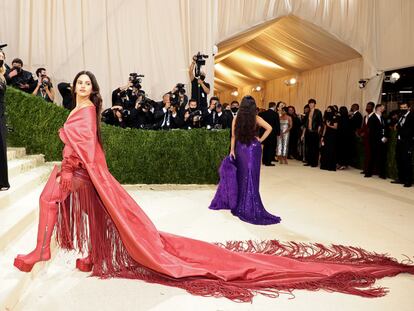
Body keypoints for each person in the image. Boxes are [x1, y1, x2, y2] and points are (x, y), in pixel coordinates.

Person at [14, 72, 414, 302]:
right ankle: (86, 255)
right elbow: (89, 147)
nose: (82, 86)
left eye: (87, 82)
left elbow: (86, 148)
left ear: (92, 89)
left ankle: (46, 249)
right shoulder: (81, 109)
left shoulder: (86, 111)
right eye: (79, 82)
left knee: (56, 201)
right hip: (79, 172)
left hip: (76, 171)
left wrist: (70, 169)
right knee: (90, 211)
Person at [210, 96, 281, 224]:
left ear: (242, 106)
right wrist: (260, 139)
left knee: (242, 175)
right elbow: (270, 128)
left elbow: (233, 136)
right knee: (251, 175)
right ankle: (249, 202)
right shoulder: (256, 118)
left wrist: (232, 150)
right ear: (253, 107)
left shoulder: (236, 118)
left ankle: (241, 202)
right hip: (254, 148)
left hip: (240, 147)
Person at [392, 102, 414, 187]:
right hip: (399, 142)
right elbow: (398, 126)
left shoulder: (412, 116)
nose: (403, 109)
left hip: (407, 143)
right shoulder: (401, 116)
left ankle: (408, 181)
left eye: (405, 107)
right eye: (401, 107)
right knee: (399, 160)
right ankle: (401, 178)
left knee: (407, 162)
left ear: (409, 108)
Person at [365, 103, 388, 179]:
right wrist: (380, 138)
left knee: (382, 158)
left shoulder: (383, 118)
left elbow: (386, 129)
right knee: (373, 157)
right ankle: (368, 173)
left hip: (383, 141)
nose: (384, 108)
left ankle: (382, 174)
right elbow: (372, 132)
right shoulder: (372, 118)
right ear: (378, 108)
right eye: (383, 107)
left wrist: (385, 137)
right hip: (375, 141)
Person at [302, 99, 323, 167]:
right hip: (308, 132)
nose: (311, 105)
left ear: (314, 104)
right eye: (310, 103)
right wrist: (303, 134)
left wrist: (318, 132)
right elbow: (305, 124)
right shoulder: (307, 113)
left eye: (312, 103)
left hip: (315, 132)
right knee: (308, 148)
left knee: (315, 148)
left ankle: (314, 163)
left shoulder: (318, 112)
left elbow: (320, 123)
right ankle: (309, 161)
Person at [258, 102, 280, 166]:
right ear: (274, 106)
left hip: (263, 132)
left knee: (265, 147)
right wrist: (278, 133)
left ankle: (264, 160)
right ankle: (268, 162)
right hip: (272, 133)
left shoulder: (262, 113)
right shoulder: (275, 114)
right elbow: (277, 124)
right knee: (270, 148)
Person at [0, 50, 10, 191]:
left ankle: (2, 181)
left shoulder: (3, 76)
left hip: (0, 113)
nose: (0, 58)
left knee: (1, 145)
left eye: (2, 57)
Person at [320, 106, 338, 171]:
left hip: (332, 136)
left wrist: (329, 125)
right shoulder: (326, 118)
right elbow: (325, 128)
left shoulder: (335, 117)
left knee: (331, 150)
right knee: (325, 150)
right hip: (327, 135)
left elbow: (336, 127)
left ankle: (331, 166)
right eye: (327, 110)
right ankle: (325, 165)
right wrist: (322, 136)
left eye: (329, 110)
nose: (328, 111)